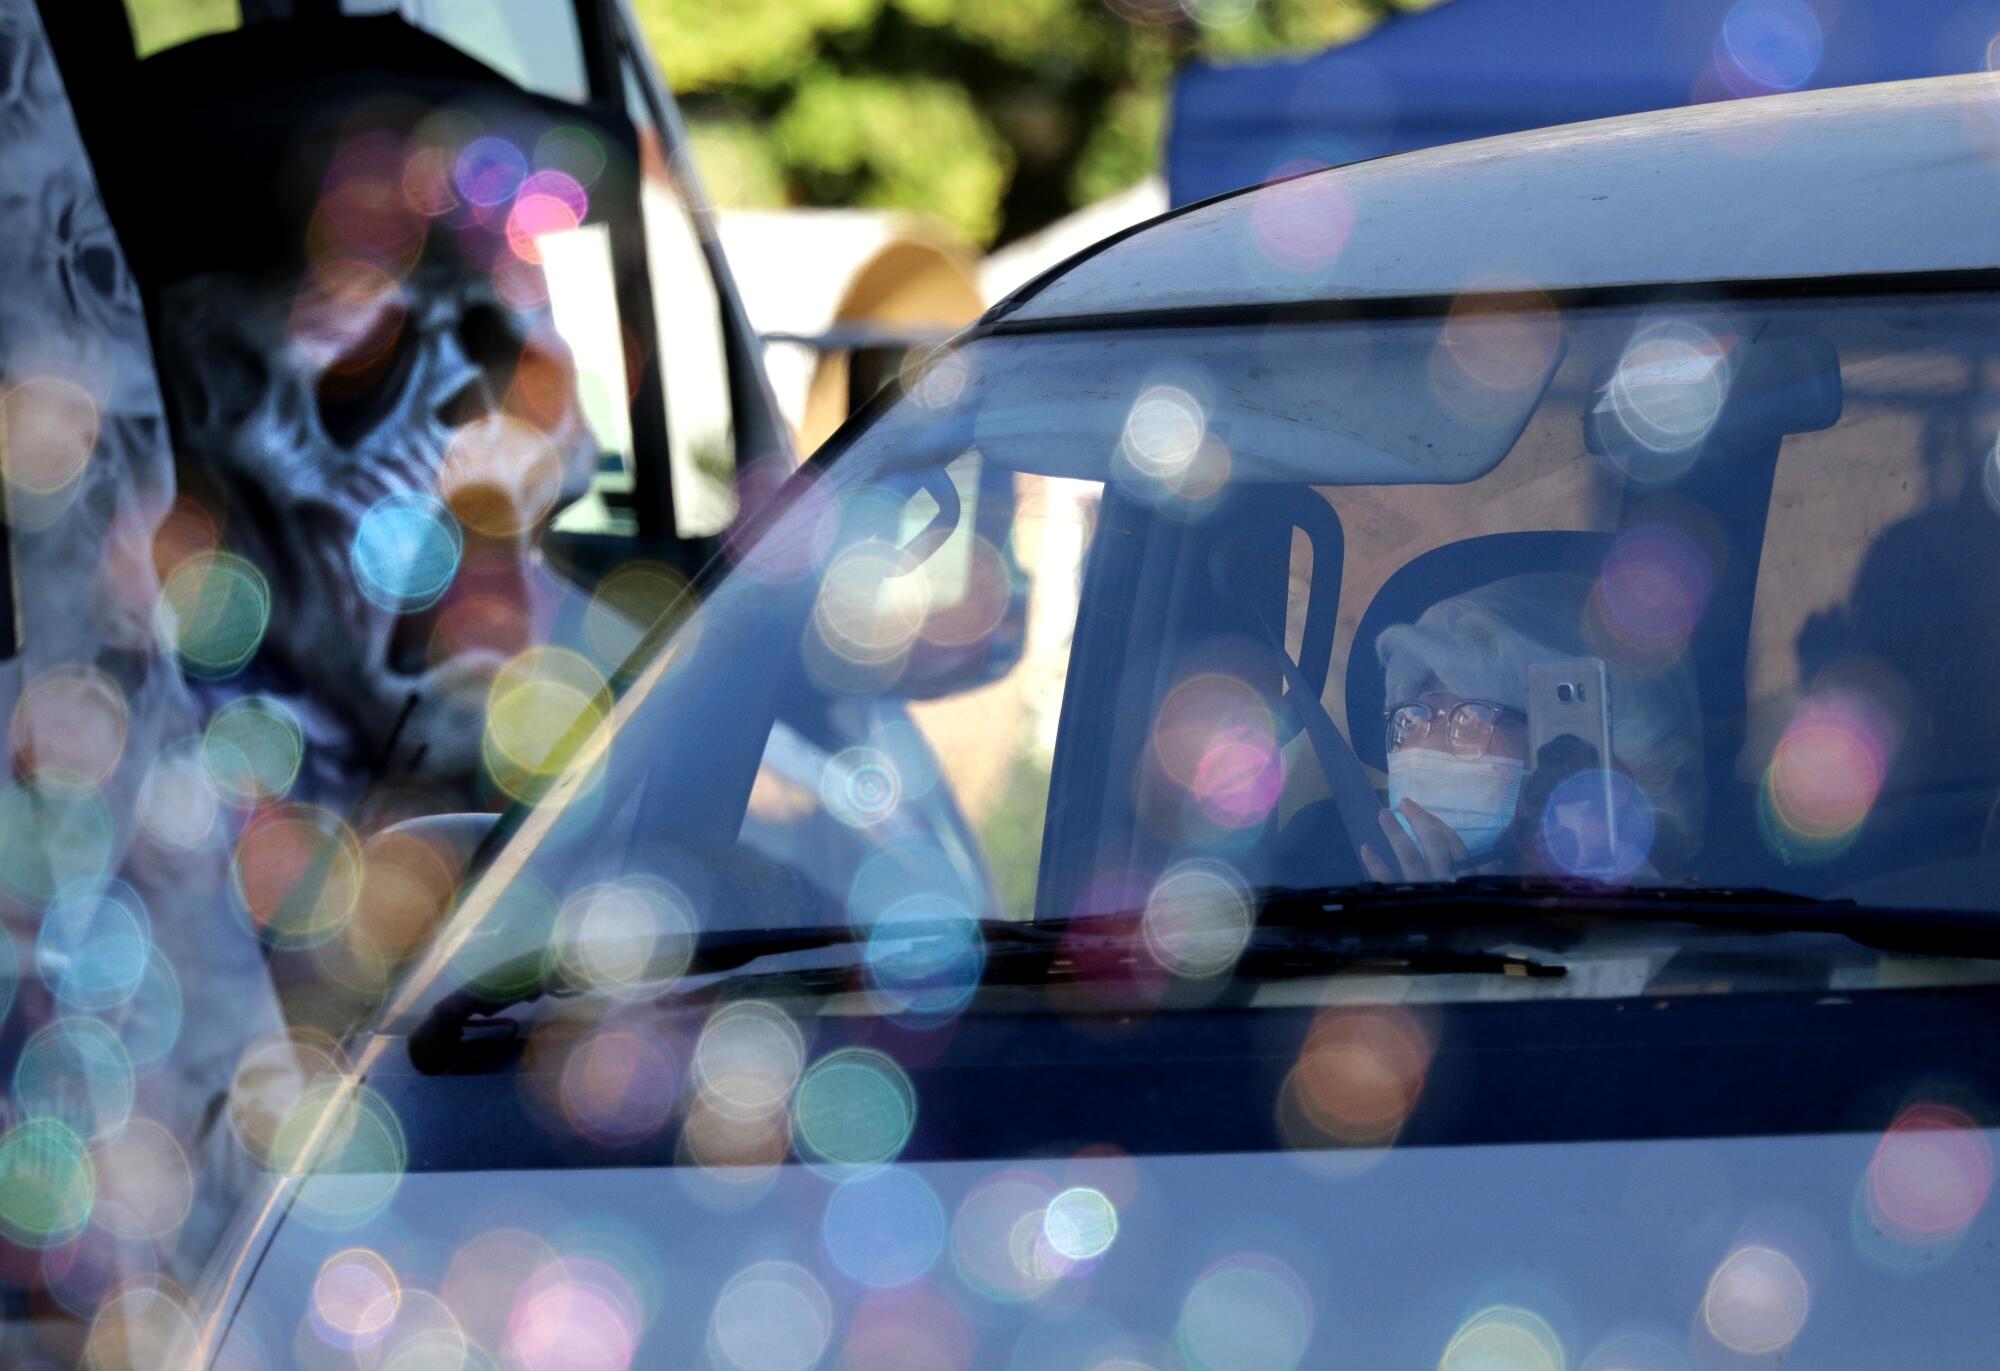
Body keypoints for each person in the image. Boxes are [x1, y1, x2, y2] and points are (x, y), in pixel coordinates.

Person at [1361, 572, 1704, 882]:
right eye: (1412, 719)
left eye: (1471, 721)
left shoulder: (1651, 917)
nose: (1420, 747)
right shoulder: (1351, 893)